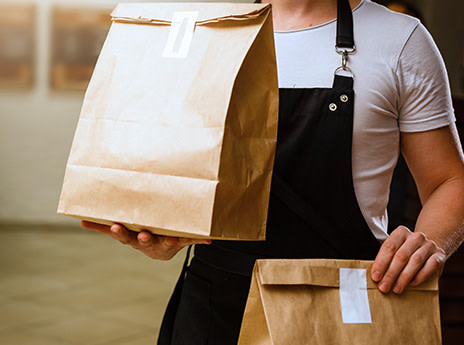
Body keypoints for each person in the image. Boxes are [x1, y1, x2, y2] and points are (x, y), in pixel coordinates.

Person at [82, 0, 464, 344]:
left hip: (344, 305)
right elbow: (173, 172)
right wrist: (159, 232)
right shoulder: (207, 34)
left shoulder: (400, 39)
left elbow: (451, 179)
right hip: (216, 303)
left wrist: (431, 242)